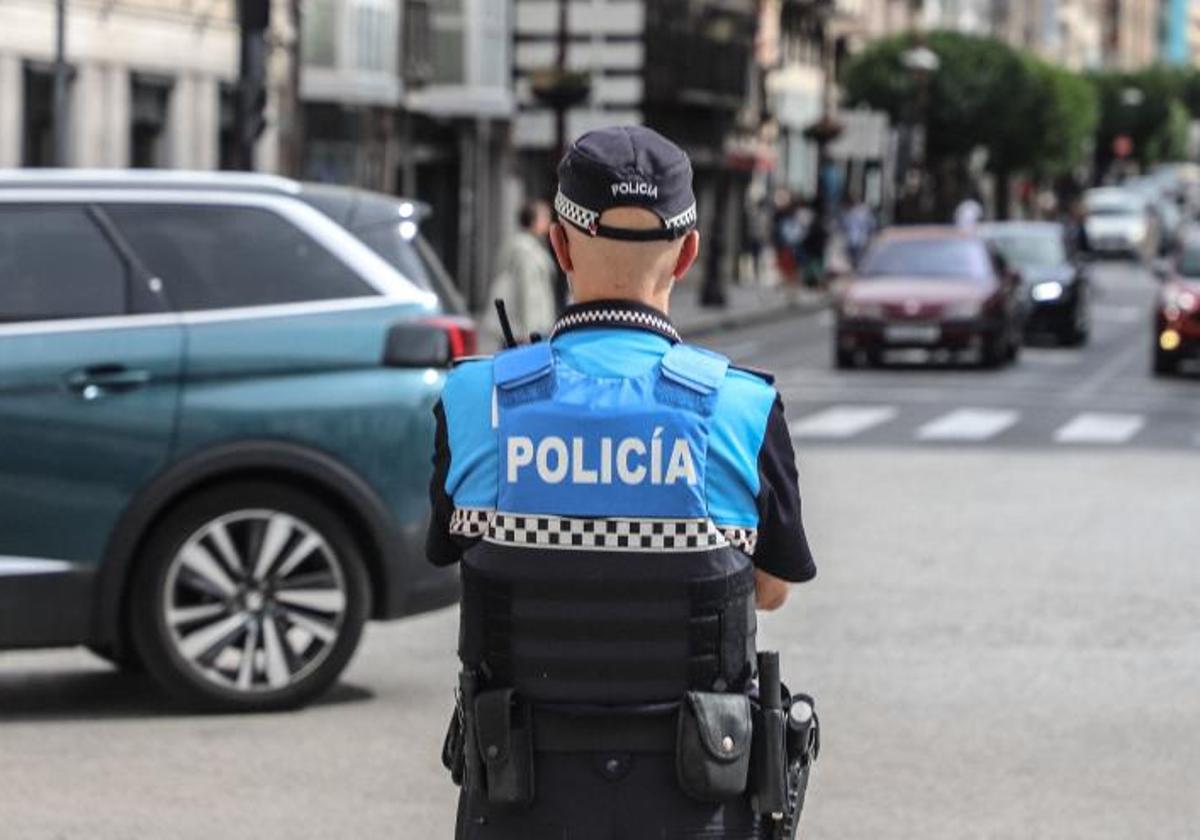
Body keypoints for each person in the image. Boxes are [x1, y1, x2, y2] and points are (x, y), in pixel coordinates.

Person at [428, 125, 819, 839]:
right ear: (690, 251)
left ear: (560, 245)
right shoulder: (742, 406)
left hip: (519, 796)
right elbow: (771, 588)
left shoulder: (475, 400)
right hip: (697, 798)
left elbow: (461, 559)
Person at [487, 199, 558, 344]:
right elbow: (528, 292)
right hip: (524, 330)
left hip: (518, 327)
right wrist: (530, 331)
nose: (548, 221)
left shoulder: (524, 245)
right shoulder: (526, 250)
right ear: (533, 221)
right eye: (544, 217)